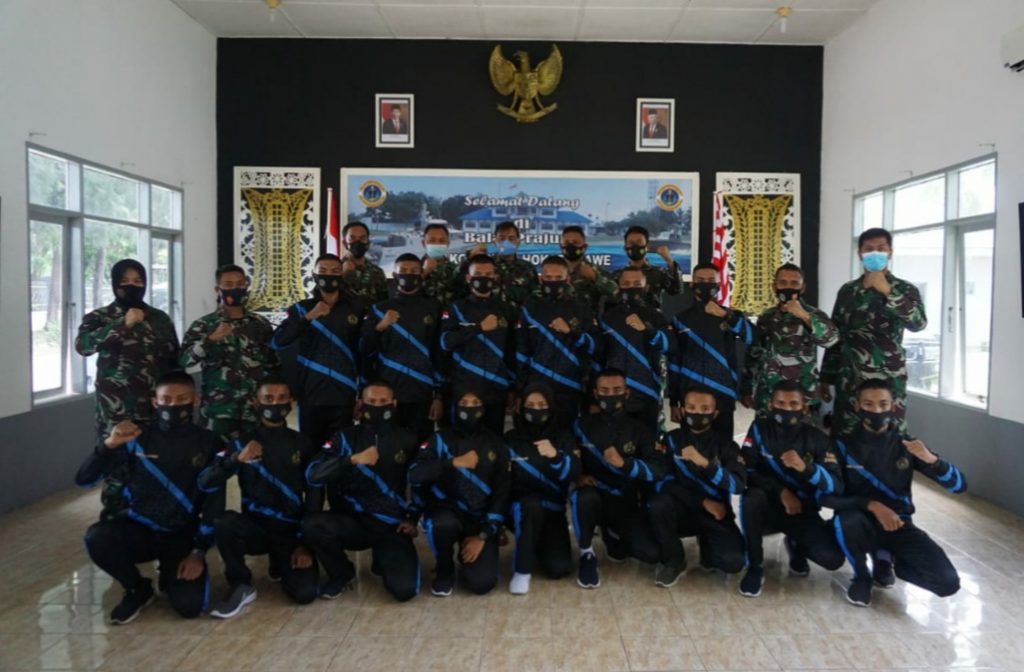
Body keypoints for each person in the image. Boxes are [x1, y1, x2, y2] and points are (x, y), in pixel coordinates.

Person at [75, 371, 223, 624]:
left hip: (181, 534)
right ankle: (137, 588)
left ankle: (169, 574)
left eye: (182, 399)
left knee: (190, 607)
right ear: (155, 402)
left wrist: (198, 552)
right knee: (97, 537)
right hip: (139, 528)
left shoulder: (210, 442)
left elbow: (215, 501)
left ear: (196, 400)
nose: (173, 406)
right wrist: (109, 444)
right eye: (166, 400)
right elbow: (84, 479)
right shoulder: (136, 437)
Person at [823, 379, 966, 607]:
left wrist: (933, 460)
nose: (876, 411)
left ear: (893, 406)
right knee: (846, 521)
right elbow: (825, 497)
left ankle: (889, 559)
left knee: (947, 583)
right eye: (868, 404)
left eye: (883, 404)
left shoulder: (907, 445)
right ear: (857, 406)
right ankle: (861, 577)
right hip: (857, 522)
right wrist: (872, 505)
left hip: (898, 524)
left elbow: (958, 486)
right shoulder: (840, 445)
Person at [198, 375, 320, 616]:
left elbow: (315, 495)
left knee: (305, 593)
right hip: (254, 528)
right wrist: (235, 459)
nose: (275, 404)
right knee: (225, 522)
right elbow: (206, 481)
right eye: (268, 398)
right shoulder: (241, 443)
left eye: (282, 398)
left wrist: (305, 544)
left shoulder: (303, 443)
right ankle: (240, 583)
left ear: (291, 403)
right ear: (256, 402)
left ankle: (280, 563)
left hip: (291, 532)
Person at [303, 382, 422, 602]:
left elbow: (421, 482)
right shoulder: (343, 438)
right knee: (313, 524)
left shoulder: (408, 439)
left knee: (405, 590)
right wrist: (351, 460)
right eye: (371, 402)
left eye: (383, 402)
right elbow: (313, 475)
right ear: (360, 404)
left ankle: (382, 559)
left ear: (394, 404)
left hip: (390, 525)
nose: (377, 407)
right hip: (351, 522)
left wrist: (413, 518)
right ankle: (341, 573)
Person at [737, 380, 845, 598]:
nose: (786, 409)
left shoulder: (817, 438)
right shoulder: (759, 429)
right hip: (766, 508)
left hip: (802, 512)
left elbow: (836, 485)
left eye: (793, 404)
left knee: (832, 559)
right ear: (770, 405)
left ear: (804, 408)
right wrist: (780, 491)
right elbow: (747, 471)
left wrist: (807, 469)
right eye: (780, 403)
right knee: (750, 498)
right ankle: (755, 566)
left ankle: (796, 544)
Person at [821, 228, 927, 435]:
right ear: (860, 253)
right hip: (850, 377)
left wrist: (888, 291)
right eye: (869, 249)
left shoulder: (905, 289)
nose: (875, 253)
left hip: (888, 379)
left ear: (890, 252)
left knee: (889, 434)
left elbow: (918, 323)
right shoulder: (848, 291)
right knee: (845, 433)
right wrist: (826, 377)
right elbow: (835, 336)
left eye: (881, 248)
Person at [410, 389, 510, 597]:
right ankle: (444, 569)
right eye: (464, 403)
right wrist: (451, 463)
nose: (470, 408)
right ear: (455, 407)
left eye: (475, 403)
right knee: (442, 524)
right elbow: (415, 474)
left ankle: (468, 559)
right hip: (446, 511)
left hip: (480, 519)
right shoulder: (439, 439)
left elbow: (502, 493)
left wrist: (483, 535)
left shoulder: (496, 442)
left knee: (482, 583)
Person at [571, 369, 663, 589]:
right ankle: (586, 554)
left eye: (617, 390)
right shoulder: (581, 425)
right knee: (582, 497)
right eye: (604, 391)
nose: (611, 395)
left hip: (624, 502)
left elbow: (657, 469)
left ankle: (611, 532)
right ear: (595, 393)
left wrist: (625, 464)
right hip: (594, 495)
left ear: (627, 393)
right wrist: (577, 476)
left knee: (650, 554)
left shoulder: (640, 429)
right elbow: (567, 455)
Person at [647, 387, 746, 588]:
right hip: (682, 510)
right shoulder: (671, 440)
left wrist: (707, 465)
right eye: (691, 407)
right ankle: (674, 560)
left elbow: (737, 485)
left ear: (715, 413)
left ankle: (707, 541)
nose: (697, 413)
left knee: (733, 562)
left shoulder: (727, 445)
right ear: (683, 410)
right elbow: (662, 482)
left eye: (705, 409)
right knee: (658, 504)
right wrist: (701, 501)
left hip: (716, 514)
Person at [75, 258, 180, 437]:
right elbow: (83, 347)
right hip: (116, 410)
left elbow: (174, 359)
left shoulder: (159, 318)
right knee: (115, 454)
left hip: (156, 407)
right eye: (124, 281)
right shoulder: (100, 317)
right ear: (115, 284)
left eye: (138, 281)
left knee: (157, 453)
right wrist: (123, 324)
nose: (132, 286)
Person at [271, 253, 364, 451]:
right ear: (313, 275)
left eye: (335, 271)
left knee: (342, 451)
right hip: (311, 394)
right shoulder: (301, 309)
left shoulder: (356, 307)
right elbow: (278, 342)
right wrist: (307, 318)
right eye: (323, 271)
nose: (328, 275)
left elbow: (366, 350)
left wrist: (362, 392)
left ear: (341, 275)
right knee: (310, 450)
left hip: (344, 394)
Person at [179, 264, 277, 443]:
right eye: (228, 285)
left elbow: (272, 365)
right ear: (218, 290)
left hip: (255, 411)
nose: (235, 289)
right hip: (218, 411)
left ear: (246, 286)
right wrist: (210, 340)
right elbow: (184, 361)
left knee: (254, 457)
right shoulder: (204, 325)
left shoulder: (260, 324)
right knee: (216, 457)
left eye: (240, 284)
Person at [505, 383, 580, 594]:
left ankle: (536, 545)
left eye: (541, 405)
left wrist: (556, 456)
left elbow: (575, 471)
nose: (536, 410)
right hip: (521, 510)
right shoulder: (511, 439)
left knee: (559, 568)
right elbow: (502, 482)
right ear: (521, 407)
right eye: (530, 405)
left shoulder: (563, 438)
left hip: (553, 512)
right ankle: (522, 570)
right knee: (530, 505)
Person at [360, 253, 443, 442]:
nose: (408, 275)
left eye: (414, 271)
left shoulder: (434, 308)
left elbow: (440, 353)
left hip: (422, 392)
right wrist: (380, 327)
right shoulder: (379, 308)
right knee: (385, 446)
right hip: (386, 394)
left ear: (421, 274)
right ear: (395, 275)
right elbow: (364, 349)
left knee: (421, 446)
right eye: (403, 271)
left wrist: (438, 396)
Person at [668, 263, 755, 441]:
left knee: (723, 447)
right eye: (700, 280)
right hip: (691, 398)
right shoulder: (680, 319)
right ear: (692, 284)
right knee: (690, 447)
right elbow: (674, 360)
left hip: (723, 394)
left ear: (719, 284)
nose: (705, 284)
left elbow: (752, 338)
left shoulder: (730, 315)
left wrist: (726, 316)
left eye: (710, 280)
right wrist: (674, 401)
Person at [741, 263, 838, 415]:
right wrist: (746, 387)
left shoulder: (814, 314)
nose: (788, 287)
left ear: (803, 288)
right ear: (774, 286)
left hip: (802, 397)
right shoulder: (767, 316)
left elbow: (831, 340)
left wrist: (803, 315)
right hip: (769, 395)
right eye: (783, 282)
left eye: (794, 283)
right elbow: (754, 352)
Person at [440, 254, 518, 434]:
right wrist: (478, 328)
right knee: (461, 439)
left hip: (496, 388)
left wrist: (513, 387)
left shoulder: (506, 309)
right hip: (464, 389)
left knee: (493, 440)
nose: (483, 278)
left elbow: (513, 351)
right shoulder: (455, 308)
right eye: (478, 274)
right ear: (468, 278)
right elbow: (445, 342)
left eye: (488, 274)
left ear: (495, 277)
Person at [516, 256, 597, 428]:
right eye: (549, 277)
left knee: (568, 436)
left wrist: (572, 332)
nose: (553, 282)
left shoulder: (581, 307)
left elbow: (593, 347)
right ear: (541, 279)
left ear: (567, 279)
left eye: (558, 278)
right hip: (536, 387)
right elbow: (521, 350)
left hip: (570, 385)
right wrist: (520, 388)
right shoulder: (529, 308)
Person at [598, 268, 671, 427]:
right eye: (626, 284)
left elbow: (668, 346)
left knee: (648, 437)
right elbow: (599, 355)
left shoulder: (656, 316)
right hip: (614, 391)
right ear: (619, 285)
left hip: (647, 390)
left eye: (637, 284)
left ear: (646, 287)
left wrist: (648, 330)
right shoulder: (608, 317)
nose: (631, 288)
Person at [464, 221, 538, 309]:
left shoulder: (528, 268)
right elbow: (460, 286)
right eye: (502, 239)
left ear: (518, 242)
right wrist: (470, 258)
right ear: (495, 241)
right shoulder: (484, 265)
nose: (506, 242)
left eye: (511, 239)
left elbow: (536, 296)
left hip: (518, 315)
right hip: (488, 314)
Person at [610, 226, 681, 309]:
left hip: (652, 316)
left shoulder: (658, 272)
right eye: (631, 243)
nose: (635, 246)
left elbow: (676, 290)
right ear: (625, 248)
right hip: (625, 316)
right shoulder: (617, 275)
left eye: (639, 242)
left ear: (647, 246)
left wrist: (669, 261)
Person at [560, 226, 617, 316]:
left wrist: (595, 278)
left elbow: (616, 293)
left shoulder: (596, 270)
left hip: (588, 322)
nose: (571, 246)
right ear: (561, 246)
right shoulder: (552, 271)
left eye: (576, 242)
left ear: (585, 247)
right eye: (566, 243)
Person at [340, 221, 389, 302]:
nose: (358, 242)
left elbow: (384, 303)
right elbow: (325, 296)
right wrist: (342, 275)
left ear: (368, 243)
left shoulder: (377, 272)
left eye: (362, 238)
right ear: (344, 243)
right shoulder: (335, 269)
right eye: (352, 238)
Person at [421, 223, 464, 307]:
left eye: (442, 241)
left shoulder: (455, 270)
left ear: (448, 243)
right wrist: (424, 272)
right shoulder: (414, 268)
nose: (437, 244)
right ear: (423, 243)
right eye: (432, 240)